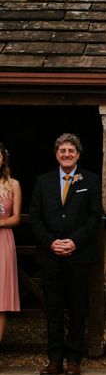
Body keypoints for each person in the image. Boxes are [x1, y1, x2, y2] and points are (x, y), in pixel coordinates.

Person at [28, 133, 102, 375]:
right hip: (51, 256)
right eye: (62, 151)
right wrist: (51, 242)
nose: (67, 154)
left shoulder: (90, 180)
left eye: (71, 150)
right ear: (56, 154)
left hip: (79, 255)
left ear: (78, 154)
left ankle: (73, 359)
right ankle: (55, 360)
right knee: (53, 308)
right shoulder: (43, 181)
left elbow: (94, 218)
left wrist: (75, 241)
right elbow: (35, 217)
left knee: (79, 307)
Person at [0, 142, 21, 344]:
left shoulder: (12, 184)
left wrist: (1, 222)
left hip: (3, 240)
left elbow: (16, 218)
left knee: (0, 300)